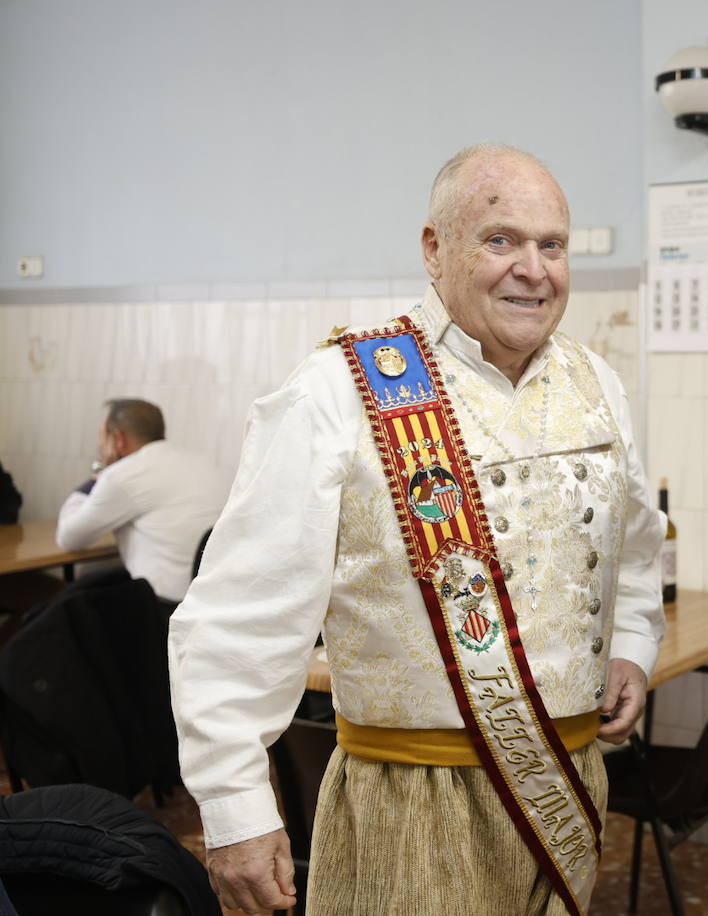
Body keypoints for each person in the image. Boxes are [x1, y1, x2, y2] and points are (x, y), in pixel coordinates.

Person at [168, 144, 665, 916]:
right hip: (405, 805)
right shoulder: (339, 389)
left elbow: (635, 543)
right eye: (501, 240)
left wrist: (631, 642)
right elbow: (238, 615)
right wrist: (235, 808)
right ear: (435, 249)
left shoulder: (597, 382)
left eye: (552, 245)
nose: (533, 269)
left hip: (568, 790)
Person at [55, 399, 226, 604]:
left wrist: (99, 470)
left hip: (161, 607)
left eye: (102, 437)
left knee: (72, 602)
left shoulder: (122, 476)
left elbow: (68, 538)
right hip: (210, 601)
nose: (99, 446)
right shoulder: (201, 461)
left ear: (118, 438)